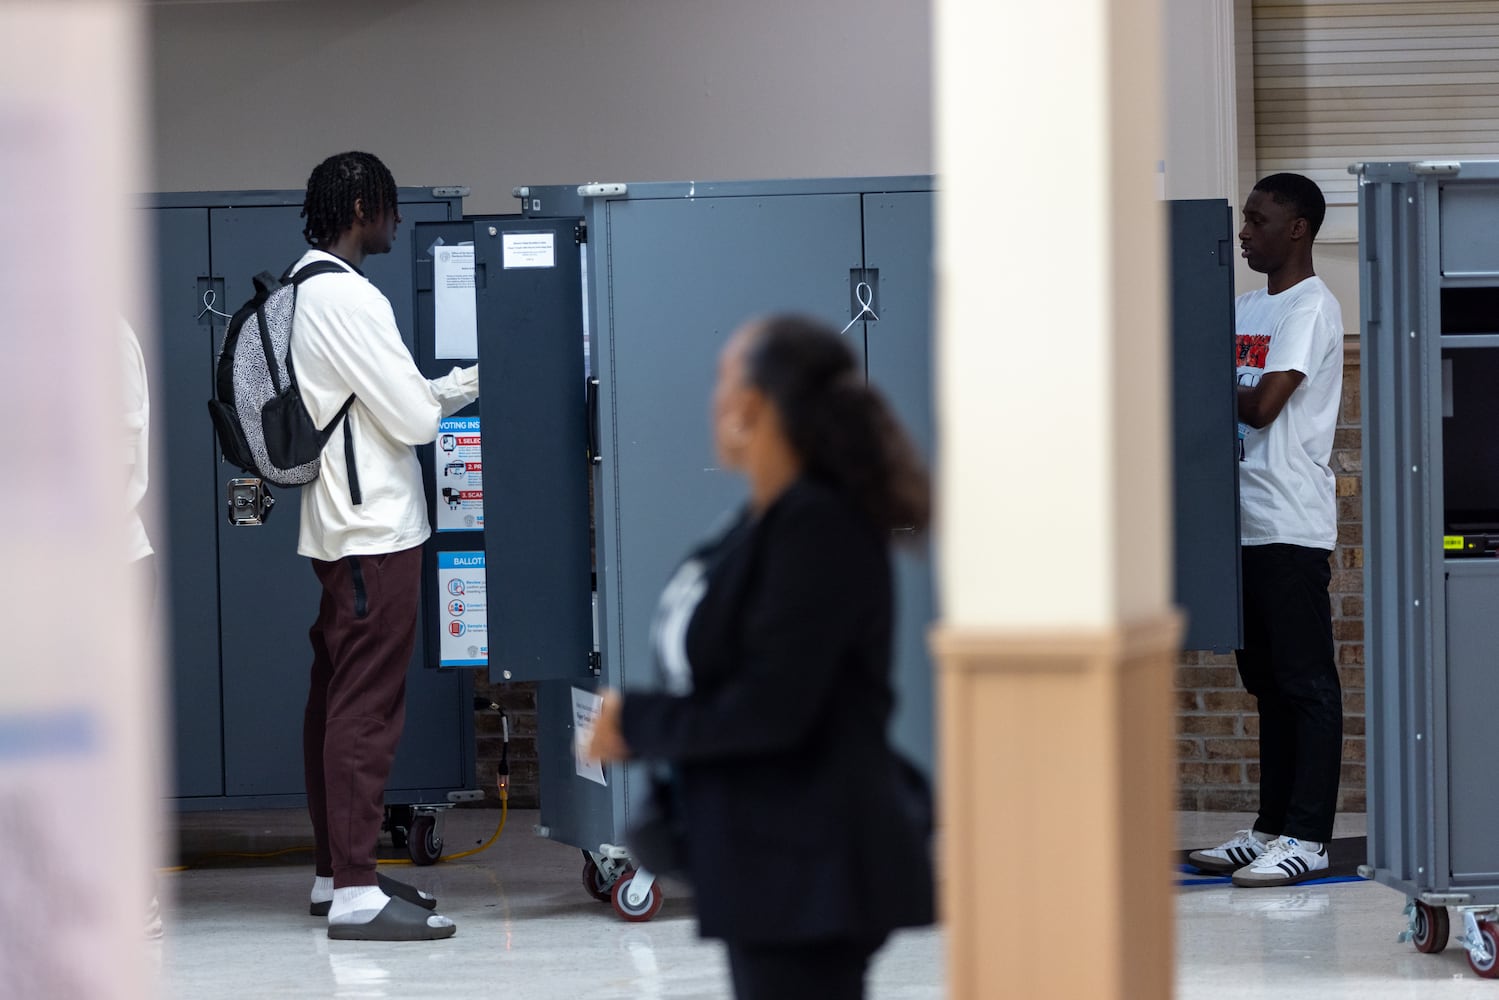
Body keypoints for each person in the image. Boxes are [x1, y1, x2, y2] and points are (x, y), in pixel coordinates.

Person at [587, 314, 935, 1000]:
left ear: (754, 406)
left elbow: (772, 708)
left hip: (811, 864)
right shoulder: (761, 521)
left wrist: (638, 724)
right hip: (762, 859)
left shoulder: (819, 527)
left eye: (724, 379)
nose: (713, 399)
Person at [292, 151, 479, 940]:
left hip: (343, 527)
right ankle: (356, 894)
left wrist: (458, 383)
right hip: (376, 533)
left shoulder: (304, 289)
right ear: (363, 205)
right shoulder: (349, 299)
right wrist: (443, 399)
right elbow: (413, 422)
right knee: (366, 708)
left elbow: (389, 402)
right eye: (391, 207)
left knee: (336, 699)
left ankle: (337, 872)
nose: (397, 222)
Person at [1188, 173, 1345, 888]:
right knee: (1268, 685)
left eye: (1257, 219)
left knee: (1306, 683)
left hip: (1288, 523)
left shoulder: (1309, 309)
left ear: (1298, 229)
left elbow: (1262, 408)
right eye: (1244, 220)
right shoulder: (1245, 305)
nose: (1244, 232)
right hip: (1240, 525)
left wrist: (1197, 382)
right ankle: (1269, 828)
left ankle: (1309, 837)